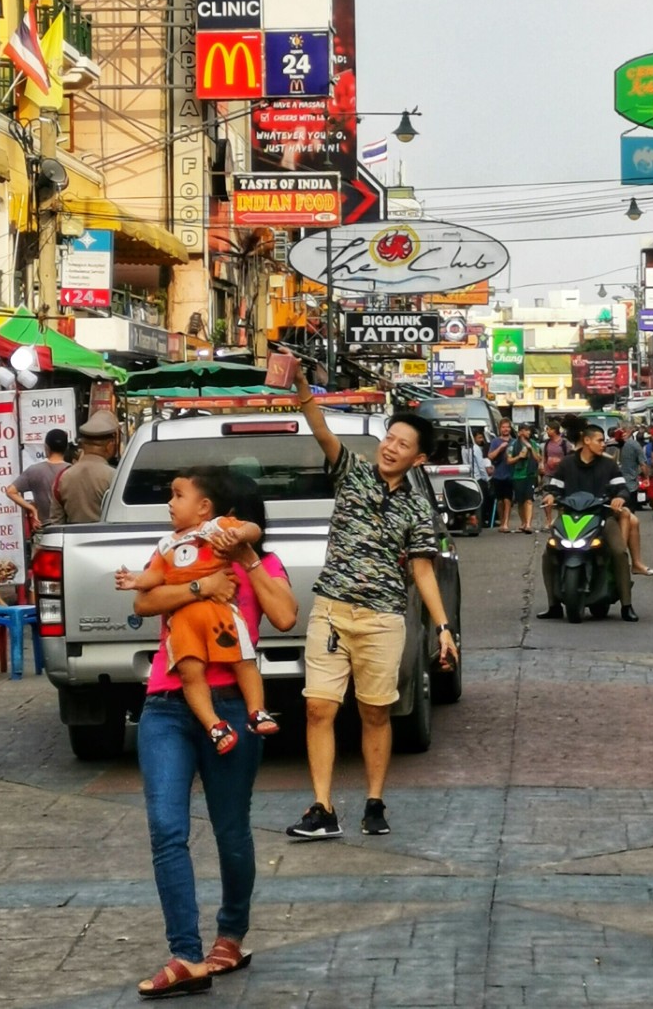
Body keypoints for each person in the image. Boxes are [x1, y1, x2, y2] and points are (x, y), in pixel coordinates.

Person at [131, 473, 296, 996]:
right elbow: (144, 603)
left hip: (231, 707)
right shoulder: (180, 555)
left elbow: (286, 616)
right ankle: (185, 954)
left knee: (230, 828)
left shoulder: (262, 564)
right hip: (165, 703)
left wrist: (245, 557)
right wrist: (200, 586)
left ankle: (231, 935)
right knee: (165, 827)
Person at [288, 372, 458, 840]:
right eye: (389, 438)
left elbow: (422, 570)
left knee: (375, 712)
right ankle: (322, 807)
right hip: (331, 611)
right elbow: (323, 433)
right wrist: (303, 391)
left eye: (403, 444)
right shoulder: (352, 472)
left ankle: (374, 801)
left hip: (383, 620)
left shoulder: (418, 510)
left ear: (418, 458)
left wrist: (443, 627)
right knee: (318, 709)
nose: (390, 447)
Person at [116, 478, 276, 752]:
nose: (170, 503)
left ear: (204, 507)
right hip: (184, 625)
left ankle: (256, 711)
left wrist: (240, 536)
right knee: (190, 673)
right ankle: (214, 725)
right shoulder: (166, 545)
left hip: (220, 614)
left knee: (243, 660)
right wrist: (136, 580)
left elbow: (252, 529)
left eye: (178, 496)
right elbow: (154, 577)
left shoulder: (215, 527)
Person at [537, 420, 638, 622]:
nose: (603, 444)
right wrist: (550, 496)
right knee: (549, 553)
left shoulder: (608, 465)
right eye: (600, 441)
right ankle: (553, 605)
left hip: (601, 517)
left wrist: (620, 497)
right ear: (587, 440)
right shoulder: (567, 463)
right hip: (569, 518)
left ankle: (627, 605)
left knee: (619, 551)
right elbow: (554, 487)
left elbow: (622, 488)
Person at [51, 410, 119, 524]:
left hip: (73, 540)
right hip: (108, 539)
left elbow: (56, 524)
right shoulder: (115, 477)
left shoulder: (63, 478)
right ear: (110, 446)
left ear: (82, 444)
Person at [4, 429, 69, 535]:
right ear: (66, 448)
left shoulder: (34, 470)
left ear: (46, 447)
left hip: (44, 529)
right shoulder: (72, 471)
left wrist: (32, 508)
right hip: (68, 530)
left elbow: (10, 491)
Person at [508, 422, 542, 534]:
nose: (528, 432)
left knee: (529, 499)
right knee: (520, 501)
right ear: (520, 431)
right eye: (526, 430)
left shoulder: (533, 444)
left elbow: (538, 459)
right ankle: (523, 522)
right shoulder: (513, 445)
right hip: (518, 475)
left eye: (529, 430)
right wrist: (519, 456)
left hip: (530, 474)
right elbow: (509, 460)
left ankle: (528, 524)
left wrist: (530, 448)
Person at [487, 417, 515, 533]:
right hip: (498, 474)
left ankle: (506, 523)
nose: (506, 429)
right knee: (499, 500)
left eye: (507, 427)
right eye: (503, 427)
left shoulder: (514, 441)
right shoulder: (495, 441)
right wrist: (500, 448)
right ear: (500, 429)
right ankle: (502, 519)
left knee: (508, 499)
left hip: (510, 474)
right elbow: (490, 456)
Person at [618, 428, 646, 512]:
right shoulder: (635, 445)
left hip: (613, 484)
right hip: (630, 484)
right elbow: (643, 464)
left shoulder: (607, 444)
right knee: (629, 512)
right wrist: (646, 477)